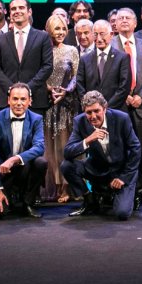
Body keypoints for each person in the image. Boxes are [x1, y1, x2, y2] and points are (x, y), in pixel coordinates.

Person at [62, 91, 141, 220]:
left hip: (121, 171)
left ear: (105, 108)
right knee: (67, 166)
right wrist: (88, 140)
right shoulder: (80, 121)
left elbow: (135, 149)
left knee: (122, 213)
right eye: (88, 112)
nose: (93, 116)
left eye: (96, 111)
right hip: (98, 168)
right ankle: (90, 201)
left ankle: (128, 194)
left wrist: (124, 177)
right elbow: (67, 153)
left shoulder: (121, 118)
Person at [0, 83, 47, 219]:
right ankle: (8, 195)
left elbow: (39, 147)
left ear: (30, 101)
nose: (19, 103)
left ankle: (27, 203)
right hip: (2, 170)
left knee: (41, 162)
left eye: (23, 99)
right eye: (15, 99)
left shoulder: (36, 119)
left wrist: (14, 159)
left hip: (25, 167)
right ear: (8, 100)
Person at [0, 0, 54, 116]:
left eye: (21, 7)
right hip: (7, 100)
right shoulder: (2, 39)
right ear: (9, 13)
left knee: (33, 135)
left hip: (35, 100)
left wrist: (27, 89)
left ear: (29, 11)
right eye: (13, 8)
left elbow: (47, 66)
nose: (17, 11)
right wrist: (12, 91)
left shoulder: (42, 37)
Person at [113, 8, 142, 176]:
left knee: (140, 149)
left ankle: (138, 188)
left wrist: (140, 96)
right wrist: (125, 96)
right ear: (115, 24)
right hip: (118, 105)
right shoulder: (110, 44)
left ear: (135, 23)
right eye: (120, 18)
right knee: (119, 148)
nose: (124, 20)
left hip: (141, 106)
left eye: (128, 18)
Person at [43, 13, 80, 203]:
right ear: (49, 29)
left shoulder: (72, 49)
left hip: (66, 104)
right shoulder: (42, 49)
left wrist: (66, 90)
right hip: (46, 104)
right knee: (48, 149)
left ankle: (66, 186)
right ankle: (52, 187)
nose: (61, 32)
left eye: (64, 29)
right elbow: (38, 73)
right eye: (57, 28)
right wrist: (48, 89)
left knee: (64, 147)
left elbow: (76, 75)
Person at [78, 20, 131, 109]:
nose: (98, 39)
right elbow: (80, 86)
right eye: (95, 34)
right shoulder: (84, 59)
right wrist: (91, 106)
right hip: (91, 113)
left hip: (115, 110)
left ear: (111, 34)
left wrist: (106, 108)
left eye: (102, 34)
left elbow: (124, 87)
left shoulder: (122, 58)